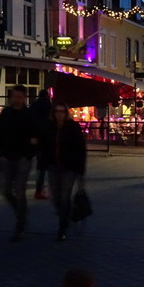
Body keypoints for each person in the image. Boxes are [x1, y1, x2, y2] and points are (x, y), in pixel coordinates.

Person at [0, 85, 40, 241]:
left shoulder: (29, 115)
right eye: (14, 96)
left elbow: (36, 135)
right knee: (6, 190)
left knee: (20, 191)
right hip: (7, 156)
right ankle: (21, 212)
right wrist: (0, 152)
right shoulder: (6, 113)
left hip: (22, 158)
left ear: (24, 98)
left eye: (19, 97)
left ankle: (20, 224)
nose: (16, 99)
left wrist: (29, 153)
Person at [39, 102, 87, 241]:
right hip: (53, 166)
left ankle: (62, 226)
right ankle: (64, 215)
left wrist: (80, 168)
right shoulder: (49, 127)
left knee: (65, 196)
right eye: (57, 111)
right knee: (55, 197)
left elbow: (80, 148)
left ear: (66, 113)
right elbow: (44, 145)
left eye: (61, 111)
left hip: (69, 167)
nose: (59, 114)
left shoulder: (72, 127)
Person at [30, 89, 53, 199]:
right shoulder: (49, 105)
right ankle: (44, 188)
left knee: (40, 165)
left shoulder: (34, 105)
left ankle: (38, 188)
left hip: (35, 136)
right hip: (47, 137)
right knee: (47, 165)